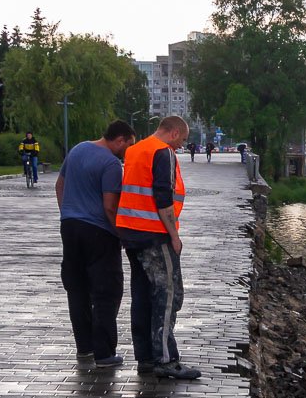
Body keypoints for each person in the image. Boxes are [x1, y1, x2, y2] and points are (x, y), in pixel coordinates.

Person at [117, 115, 200, 380]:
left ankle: (146, 358)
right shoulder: (162, 153)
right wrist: (174, 235)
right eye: (183, 140)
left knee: (142, 296)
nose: (181, 147)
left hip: (130, 233)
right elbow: (162, 196)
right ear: (174, 133)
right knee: (168, 296)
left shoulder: (135, 149)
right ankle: (165, 360)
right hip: (154, 234)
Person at [54, 120, 135, 368]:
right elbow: (110, 206)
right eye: (128, 145)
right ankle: (104, 354)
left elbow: (59, 185)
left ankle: (85, 349)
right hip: (99, 232)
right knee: (106, 292)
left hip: (70, 227)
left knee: (76, 288)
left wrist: (68, 213)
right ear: (119, 140)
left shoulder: (78, 149)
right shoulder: (111, 163)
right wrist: (121, 234)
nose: (128, 150)